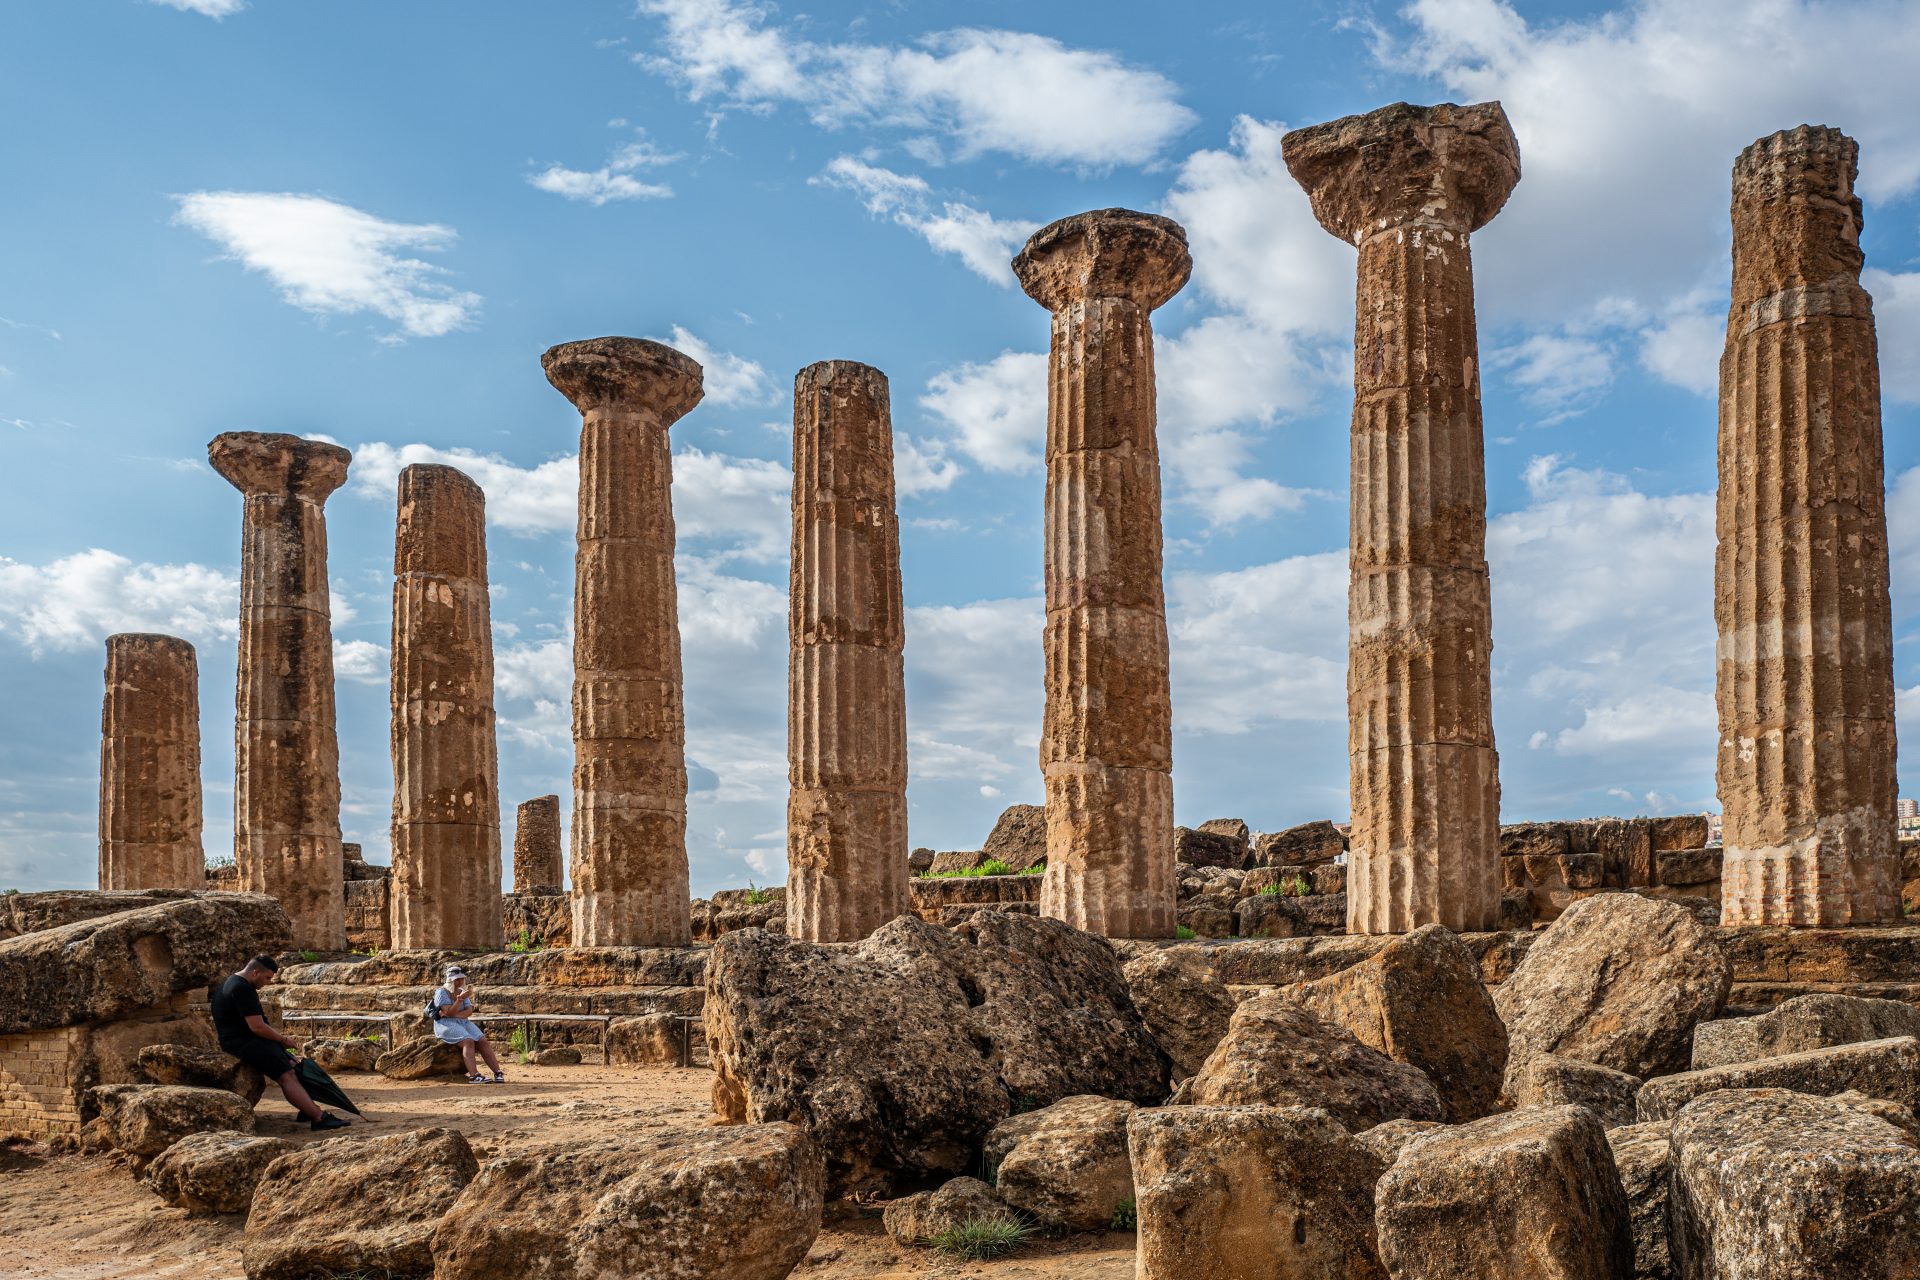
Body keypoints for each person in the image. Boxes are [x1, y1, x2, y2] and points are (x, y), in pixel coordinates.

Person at [210, 954, 350, 1131]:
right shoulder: (242, 989)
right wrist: (283, 1040)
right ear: (255, 972)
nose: (268, 982)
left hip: (244, 1040)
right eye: (267, 977)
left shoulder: (232, 982)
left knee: (292, 1065)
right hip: (245, 1043)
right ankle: (318, 1118)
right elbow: (257, 1027)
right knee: (286, 1076)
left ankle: (306, 1108)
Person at [432, 965, 505, 1084]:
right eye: (457, 979)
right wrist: (459, 1001)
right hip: (445, 1024)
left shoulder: (462, 992)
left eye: (461, 979)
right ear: (450, 980)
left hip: (462, 1022)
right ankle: (474, 1075)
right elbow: (449, 1012)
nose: (460, 981)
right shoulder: (441, 992)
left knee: (482, 1041)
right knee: (468, 1041)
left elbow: (468, 1011)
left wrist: (454, 1013)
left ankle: (497, 1072)